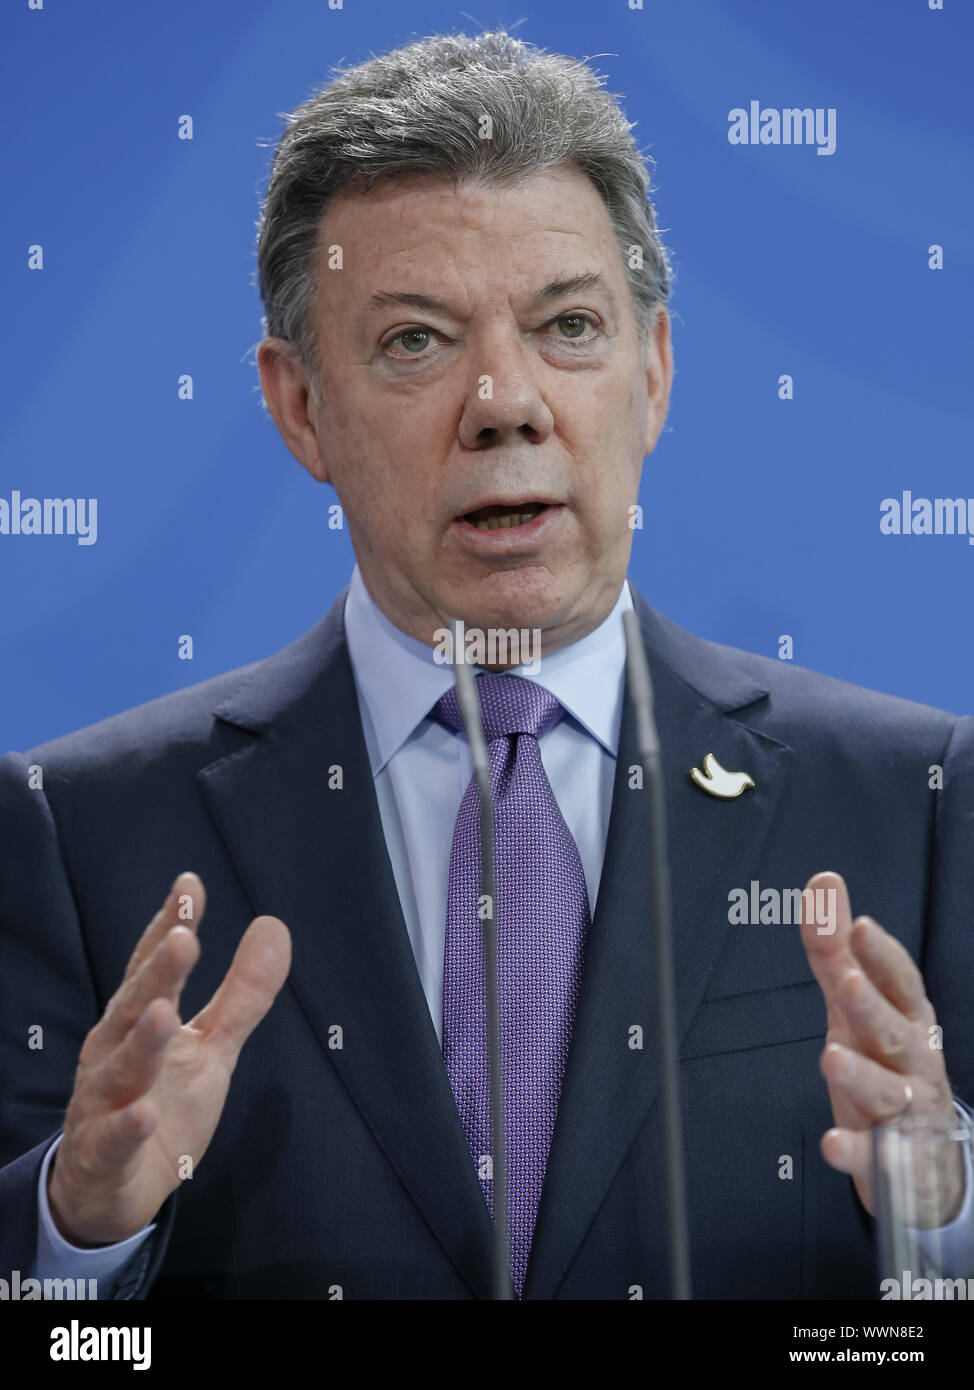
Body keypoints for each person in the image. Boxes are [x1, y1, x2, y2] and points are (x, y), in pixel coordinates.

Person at [1, 29, 971, 1301]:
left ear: (654, 371)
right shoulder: (74, 831)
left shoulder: (916, 801)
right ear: (300, 408)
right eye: (414, 341)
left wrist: (941, 1222)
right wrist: (80, 1241)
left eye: (568, 326)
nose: (503, 400)